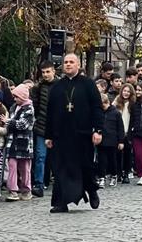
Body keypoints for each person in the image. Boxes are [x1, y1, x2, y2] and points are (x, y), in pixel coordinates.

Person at [45, 54, 104, 213]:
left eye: (71, 62)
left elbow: (97, 108)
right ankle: (60, 203)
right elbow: (49, 113)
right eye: (66, 62)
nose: (68, 65)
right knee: (60, 168)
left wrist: (98, 130)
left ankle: (91, 190)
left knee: (85, 166)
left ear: (78, 65)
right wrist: (48, 135)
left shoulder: (88, 84)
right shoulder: (57, 87)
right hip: (61, 136)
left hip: (82, 134)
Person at [31, 60, 58, 197]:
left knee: (58, 157)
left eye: (48, 71)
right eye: (43, 72)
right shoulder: (37, 88)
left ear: (53, 71)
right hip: (42, 126)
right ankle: (39, 184)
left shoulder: (61, 86)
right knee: (40, 156)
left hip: (58, 127)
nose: (46, 74)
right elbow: (35, 106)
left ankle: (60, 183)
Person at [5, 83, 36, 201]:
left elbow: (22, 124)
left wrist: (9, 122)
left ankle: (26, 189)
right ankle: (13, 190)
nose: (14, 99)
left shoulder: (29, 109)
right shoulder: (14, 107)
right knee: (12, 165)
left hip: (25, 142)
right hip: (13, 141)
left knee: (25, 167)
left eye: (16, 97)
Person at [98, 93, 124, 188]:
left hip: (113, 141)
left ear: (108, 102)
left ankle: (114, 175)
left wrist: (121, 141)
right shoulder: (99, 112)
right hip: (101, 140)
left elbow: (120, 128)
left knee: (112, 160)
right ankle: (102, 177)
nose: (102, 107)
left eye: (103, 105)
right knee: (101, 160)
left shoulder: (116, 113)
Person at [113, 83, 135, 184]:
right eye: (124, 91)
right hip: (118, 131)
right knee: (117, 154)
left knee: (127, 154)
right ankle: (118, 173)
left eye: (128, 91)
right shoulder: (117, 101)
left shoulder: (133, 103)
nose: (126, 93)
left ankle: (126, 173)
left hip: (128, 131)